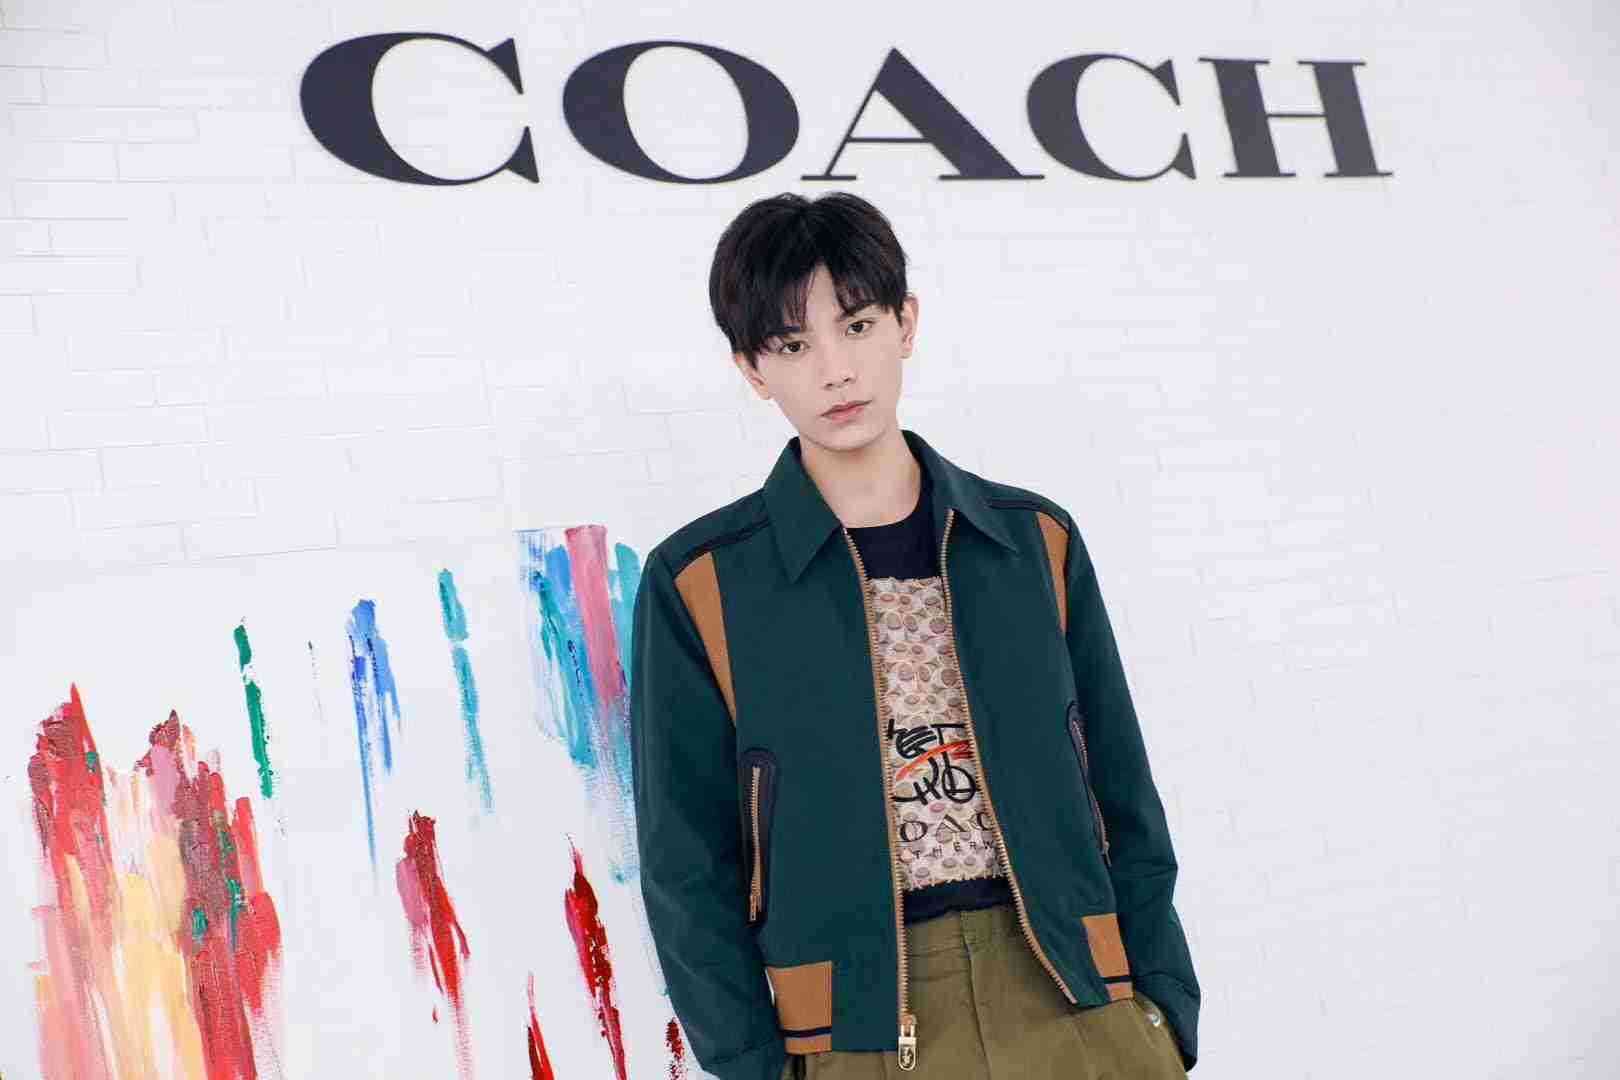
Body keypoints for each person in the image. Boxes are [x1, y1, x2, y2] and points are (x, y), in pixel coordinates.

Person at [629, 191, 1200, 1080]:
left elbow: (1124, 789)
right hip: (856, 1032)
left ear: (906, 323)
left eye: (857, 326)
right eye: (793, 345)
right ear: (752, 369)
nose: (835, 370)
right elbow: (684, 864)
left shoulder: (1032, 542)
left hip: (1082, 998)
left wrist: (1162, 1004)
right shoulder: (700, 582)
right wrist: (751, 1065)